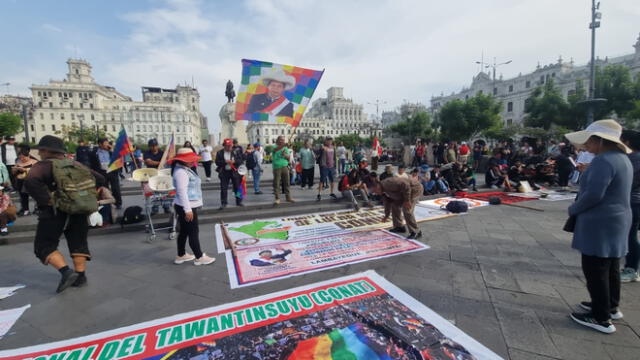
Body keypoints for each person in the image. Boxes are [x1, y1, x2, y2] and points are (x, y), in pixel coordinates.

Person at [564, 119, 632, 334]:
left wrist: (574, 209)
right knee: (610, 265)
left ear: (599, 141)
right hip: (617, 219)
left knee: (595, 268)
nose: (586, 146)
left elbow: (594, 194)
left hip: (601, 221)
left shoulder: (604, 161)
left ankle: (600, 317)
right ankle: (610, 306)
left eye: (589, 141)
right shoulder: (622, 159)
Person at [25, 135, 104, 293]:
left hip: (54, 212)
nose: (39, 153)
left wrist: (47, 200)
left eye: (41, 150)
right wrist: (86, 196)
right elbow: (100, 179)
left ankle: (66, 272)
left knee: (44, 245)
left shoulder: (42, 166)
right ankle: (81, 276)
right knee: (78, 242)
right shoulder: (77, 164)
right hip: (80, 209)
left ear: (47, 150)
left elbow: (30, 182)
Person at [170, 148, 216, 266]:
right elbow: (181, 192)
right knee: (193, 231)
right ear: (182, 160)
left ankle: (181, 255)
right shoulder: (181, 172)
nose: (192, 161)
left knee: (185, 231)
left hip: (185, 205)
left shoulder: (183, 169)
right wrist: (188, 210)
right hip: (186, 205)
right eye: (189, 159)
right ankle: (199, 257)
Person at [620, 130, 640, 283]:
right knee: (630, 235)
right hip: (633, 201)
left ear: (626, 142)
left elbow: (628, 182)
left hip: (632, 201)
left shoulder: (634, 158)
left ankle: (631, 269)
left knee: (630, 236)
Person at [380, 173, 423, 239]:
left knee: (407, 210)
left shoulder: (388, 183)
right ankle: (399, 226)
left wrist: (407, 200)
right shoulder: (382, 191)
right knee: (394, 205)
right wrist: (386, 215)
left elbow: (406, 186)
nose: (374, 192)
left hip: (415, 190)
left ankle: (416, 231)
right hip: (403, 193)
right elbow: (387, 203)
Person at [89, 138, 122, 209]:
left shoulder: (111, 151)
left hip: (112, 171)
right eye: (105, 143)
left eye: (107, 142)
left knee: (116, 188)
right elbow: (92, 163)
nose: (107, 144)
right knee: (105, 188)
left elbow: (118, 158)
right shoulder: (94, 152)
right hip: (102, 172)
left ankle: (118, 203)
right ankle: (108, 203)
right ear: (100, 144)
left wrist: (112, 150)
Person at [215, 138, 244, 209]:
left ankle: (239, 201)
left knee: (237, 187)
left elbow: (240, 160)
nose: (229, 147)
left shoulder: (235, 152)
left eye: (230, 146)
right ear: (224, 145)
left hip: (234, 172)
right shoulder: (219, 153)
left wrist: (234, 162)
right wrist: (225, 162)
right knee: (223, 188)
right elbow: (217, 162)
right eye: (227, 146)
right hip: (224, 172)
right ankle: (224, 202)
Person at [12, 149, 38, 216]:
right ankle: (26, 210)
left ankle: (37, 208)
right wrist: (14, 170)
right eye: (20, 157)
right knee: (23, 196)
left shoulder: (34, 162)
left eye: (23, 157)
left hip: (31, 181)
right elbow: (13, 174)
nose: (22, 159)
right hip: (20, 181)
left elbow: (37, 171)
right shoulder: (18, 163)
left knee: (36, 195)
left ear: (28, 156)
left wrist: (25, 169)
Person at [272, 136, 294, 205]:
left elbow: (288, 158)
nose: (282, 141)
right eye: (281, 140)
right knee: (277, 183)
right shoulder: (274, 146)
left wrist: (285, 155)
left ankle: (288, 197)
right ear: (278, 140)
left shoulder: (285, 148)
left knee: (287, 182)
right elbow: (275, 150)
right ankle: (277, 198)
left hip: (285, 166)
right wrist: (283, 145)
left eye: (283, 140)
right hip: (277, 167)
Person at [317, 137, 338, 201]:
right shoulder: (323, 147)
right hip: (325, 166)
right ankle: (319, 194)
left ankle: (331, 193)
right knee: (322, 180)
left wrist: (335, 167)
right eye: (328, 140)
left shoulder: (333, 147)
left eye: (330, 140)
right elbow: (316, 151)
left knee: (332, 180)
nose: (329, 142)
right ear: (325, 141)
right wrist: (321, 148)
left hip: (331, 166)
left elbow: (335, 157)